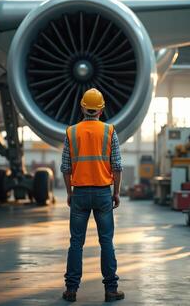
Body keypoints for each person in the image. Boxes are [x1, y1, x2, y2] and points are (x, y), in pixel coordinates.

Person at [60, 88, 124, 302]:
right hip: (103, 193)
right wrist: (116, 193)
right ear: (101, 109)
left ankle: (71, 289)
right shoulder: (109, 131)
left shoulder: (71, 132)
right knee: (106, 241)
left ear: (82, 107)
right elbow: (117, 166)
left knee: (76, 243)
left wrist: (70, 193)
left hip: (79, 193)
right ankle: (111, 289)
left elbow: (66, 168)